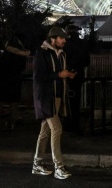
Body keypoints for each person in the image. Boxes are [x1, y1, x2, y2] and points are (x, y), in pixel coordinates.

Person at [32, 27, 75, 180]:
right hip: (46, 98)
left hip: (56, 97)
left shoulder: (61, 54)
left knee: (45, 132)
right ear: (53, 39)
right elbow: (39, 76)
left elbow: (55, 75)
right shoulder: (42, 53)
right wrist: (59, 74)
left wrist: (66, 75)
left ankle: (37, 164)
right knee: (56, 129)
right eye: (61, 38)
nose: (64, 40)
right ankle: (59, 166)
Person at [0, 36, 30, 134]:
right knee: (14, 104)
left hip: (3, 81)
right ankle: (12, 125)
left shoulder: (6, 54)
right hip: (15, 81)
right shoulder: (22, 55)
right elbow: (22, 68)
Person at [63, 25, 91, 135]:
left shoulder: (64, 44)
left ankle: (67, 123)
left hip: (65, 74)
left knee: (65, 100)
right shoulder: (83, 43)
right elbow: (86, 61)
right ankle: (76, 125)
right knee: (76, 100)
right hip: (78, 74)